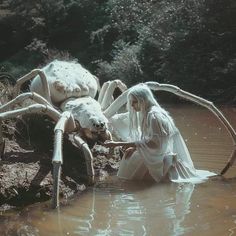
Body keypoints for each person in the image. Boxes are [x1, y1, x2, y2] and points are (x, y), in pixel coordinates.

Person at [103, 83, 215, 183]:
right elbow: (150, 139)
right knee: (130, 157)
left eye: (134, 102)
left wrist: (118, 144)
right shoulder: (147, 113)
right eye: (131, 103)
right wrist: (135, 148)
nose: (132, 106)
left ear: (143, 100)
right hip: (155, 152)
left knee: (131, 164)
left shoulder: (154, 116)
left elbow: (156, 144)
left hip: (159, 156)